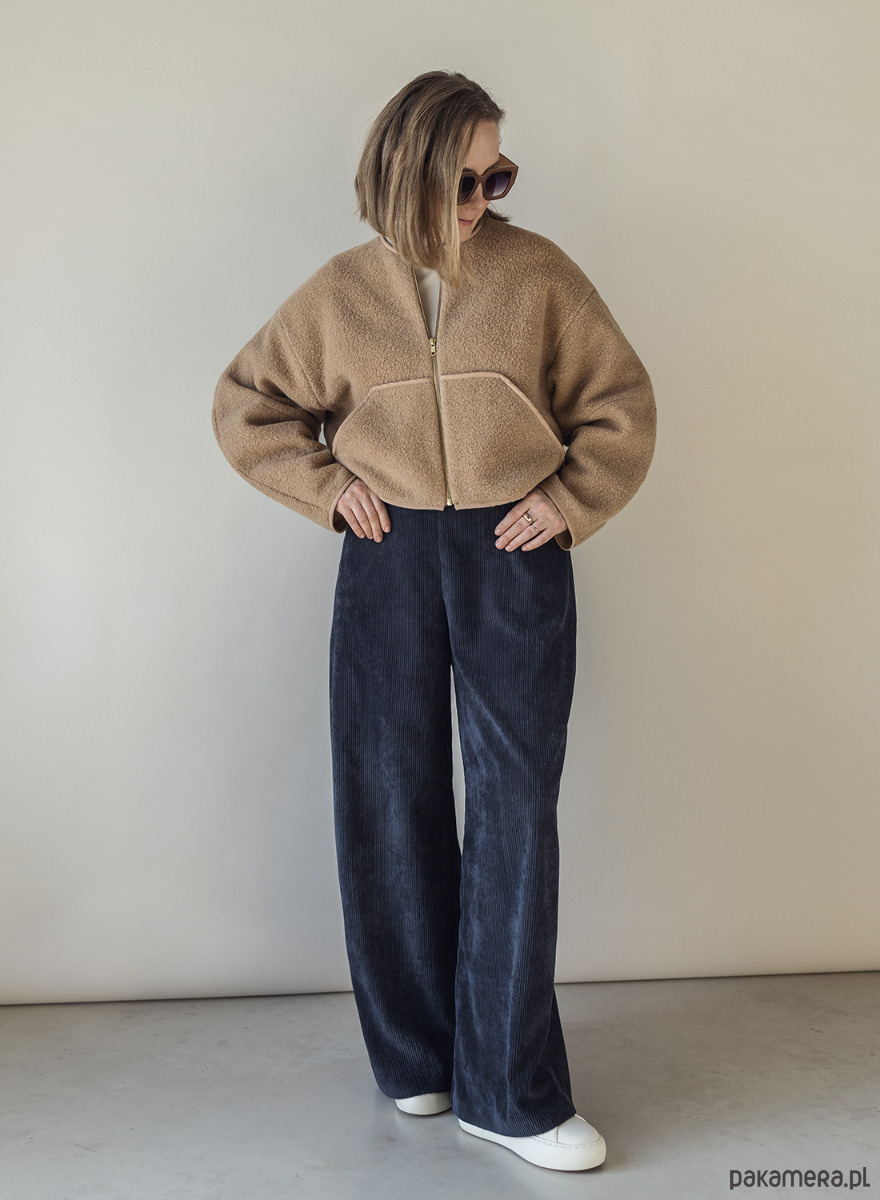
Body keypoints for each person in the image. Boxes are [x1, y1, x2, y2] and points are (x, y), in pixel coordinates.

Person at [212, 69, 656, 1173]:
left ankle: (508, 1090)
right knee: (386, 792)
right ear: (404, 174)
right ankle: (417, 1054)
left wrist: (569, 500)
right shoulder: (339, 293)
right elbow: (248, 405)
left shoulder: (538, 274)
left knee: (515, 808)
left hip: (512, 552)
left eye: (498, 176)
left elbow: (619, 405)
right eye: (466, 179)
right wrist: (328, 489)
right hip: (388, 553)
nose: (485, 198)